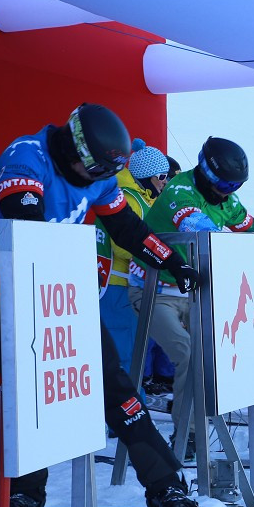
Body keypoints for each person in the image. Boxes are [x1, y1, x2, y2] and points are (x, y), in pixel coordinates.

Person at [0, 103, 201, 507]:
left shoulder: (97, 172)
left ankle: (166, 485)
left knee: (116, 389)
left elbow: (127, 227)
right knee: (32, 393)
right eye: (94, 173)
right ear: (73, 150)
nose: (100, 182)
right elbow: (24, 221)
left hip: (63, 293)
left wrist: (172, 260)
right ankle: (25, 493)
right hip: (11, 292)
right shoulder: (26, 157)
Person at [141, 136, 254, 460]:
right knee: (191, 353)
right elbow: (204, 230)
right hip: (154, 291)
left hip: (196, 290)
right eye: (225, 183)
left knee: (241, 346)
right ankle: (190, 435)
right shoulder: (180, 192)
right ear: (208, 174)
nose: (229, 191)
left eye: (235, 185)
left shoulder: (227, 200)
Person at [98, 138, 170, 374]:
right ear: (147, 176)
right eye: (161, 176)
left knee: (131, 353)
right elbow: (122, 245)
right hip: (118, 285)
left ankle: (130, 405)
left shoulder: (143, 200)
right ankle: (125, 408)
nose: (165, 182)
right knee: (123, 355)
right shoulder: (130, 198)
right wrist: (157, 256)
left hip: (131, 285)